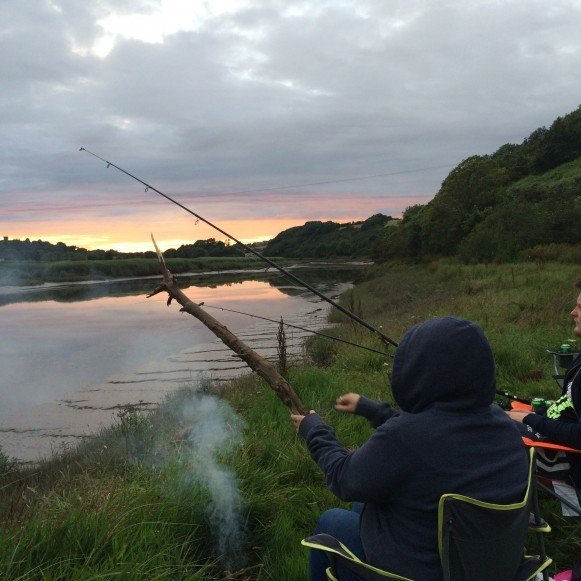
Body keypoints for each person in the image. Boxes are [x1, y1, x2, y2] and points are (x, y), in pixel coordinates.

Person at [291, 316, 528, 580]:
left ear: (418, 373)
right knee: (363, 503)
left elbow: (343, 478)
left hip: (422, 570)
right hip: (487, 564)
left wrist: (314, 429)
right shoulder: (506, 427)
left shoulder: (404, 438)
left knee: (332, 520)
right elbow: (431, 430)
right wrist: (371, 409)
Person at [507, 279, 581, 486]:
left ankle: (505, 510)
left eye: (580, 308)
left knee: (486, 433)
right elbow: (569, 407)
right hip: (553, 432)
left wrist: (530, 419)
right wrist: (535, 413)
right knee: (493, 415)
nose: (572, 313)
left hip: (567, 458)